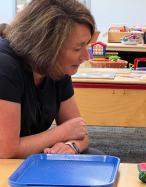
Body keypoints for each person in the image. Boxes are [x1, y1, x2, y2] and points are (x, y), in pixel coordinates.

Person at [0, 0, 100, 159]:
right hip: (5, 161)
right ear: (47, 45)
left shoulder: (56, 67)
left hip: (28, 155)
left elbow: (79, 131)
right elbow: (6, 151)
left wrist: (71, 146)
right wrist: (61, 133)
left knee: (95, 159)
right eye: (77, 48)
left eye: (86, 46)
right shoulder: (5, 66)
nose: (86, 57)